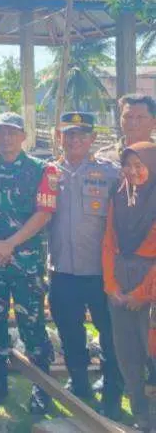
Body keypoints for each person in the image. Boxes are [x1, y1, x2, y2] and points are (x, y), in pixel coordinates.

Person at [0, 112, 58, 414]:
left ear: (23, 136)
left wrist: (9, 244)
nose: (6, 137)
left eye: (12, 132)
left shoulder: (41, 170)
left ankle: (42, 388)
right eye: (0, 132)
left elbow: (44, 214)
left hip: (25, 263)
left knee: (32, 325)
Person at [46, 112, 123, 418]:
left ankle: (113, 393)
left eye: (82, 134)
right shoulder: (49, 172)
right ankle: (79, 385)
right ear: (59, 137)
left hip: (101, 272)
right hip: (62, 269)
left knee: (109, 333)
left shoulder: (111, 174)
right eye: (69, 134)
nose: (75, 140)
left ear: (92, 139)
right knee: (69, 331)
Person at [102, 142, 156, 431]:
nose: (133, 171)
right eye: (128, 165)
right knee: (127, 354)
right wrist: (112, 285)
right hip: (121, 281)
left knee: (153, 353)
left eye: (140, 165)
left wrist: (142, 293)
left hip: (151, 286)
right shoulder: (120, 196)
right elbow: (109, 241)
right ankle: (140, 416)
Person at [96, 94, 156, 163]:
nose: (133, 123)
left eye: (140, 117)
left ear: (154, 122)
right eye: (128, 117)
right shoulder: (103, 157)